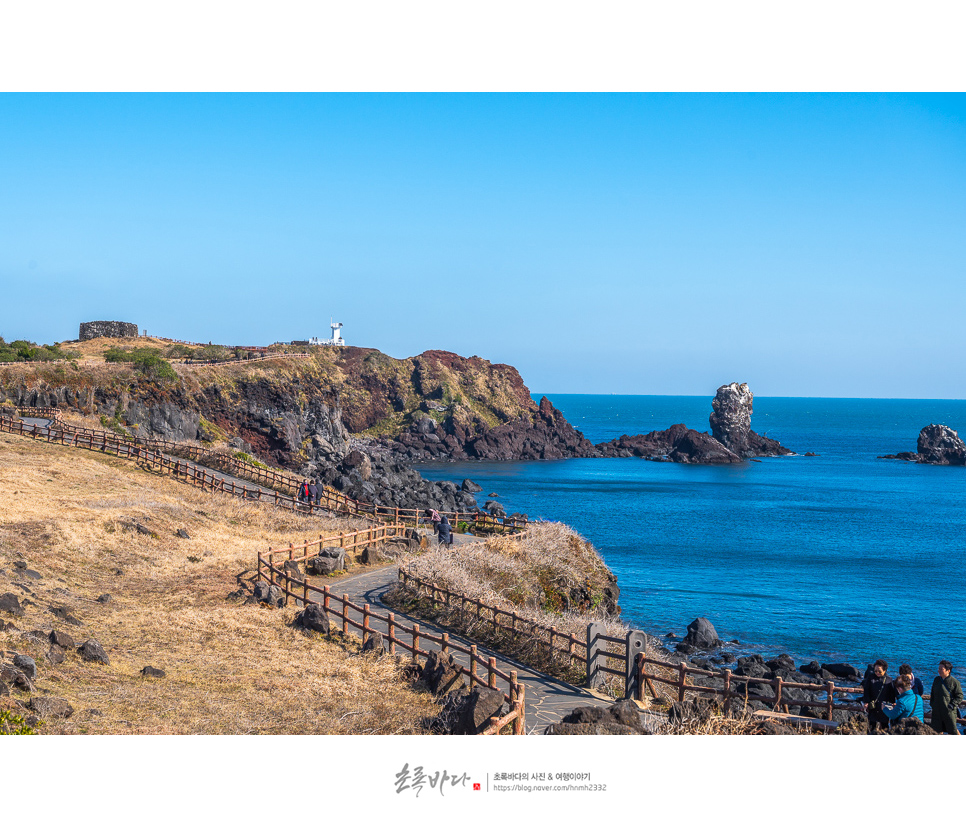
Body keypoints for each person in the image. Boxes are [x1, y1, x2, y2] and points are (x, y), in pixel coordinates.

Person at [930, 660, 963, 735]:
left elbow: (960, 696)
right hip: (937, 712)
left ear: (948, 670)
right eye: (939, 669)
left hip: (949, 712)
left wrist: (952, 704)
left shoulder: (954, 682)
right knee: (936, 732)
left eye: (941, 669)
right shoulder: (937, 680)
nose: (939, 671)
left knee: (952, 731)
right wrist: (932, 704)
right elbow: (932, 693)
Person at [861, 659, 892, 734]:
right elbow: (866, 690)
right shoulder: (870, 678)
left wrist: (892, 704)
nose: (877, 673)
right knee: (871, 727)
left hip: (884, 708)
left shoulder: (889, 680)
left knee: (884, 727)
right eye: (875, 671)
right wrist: (866, 702)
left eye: (879, 671)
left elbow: (891, 694)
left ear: (885, 670)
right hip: (873, 707)